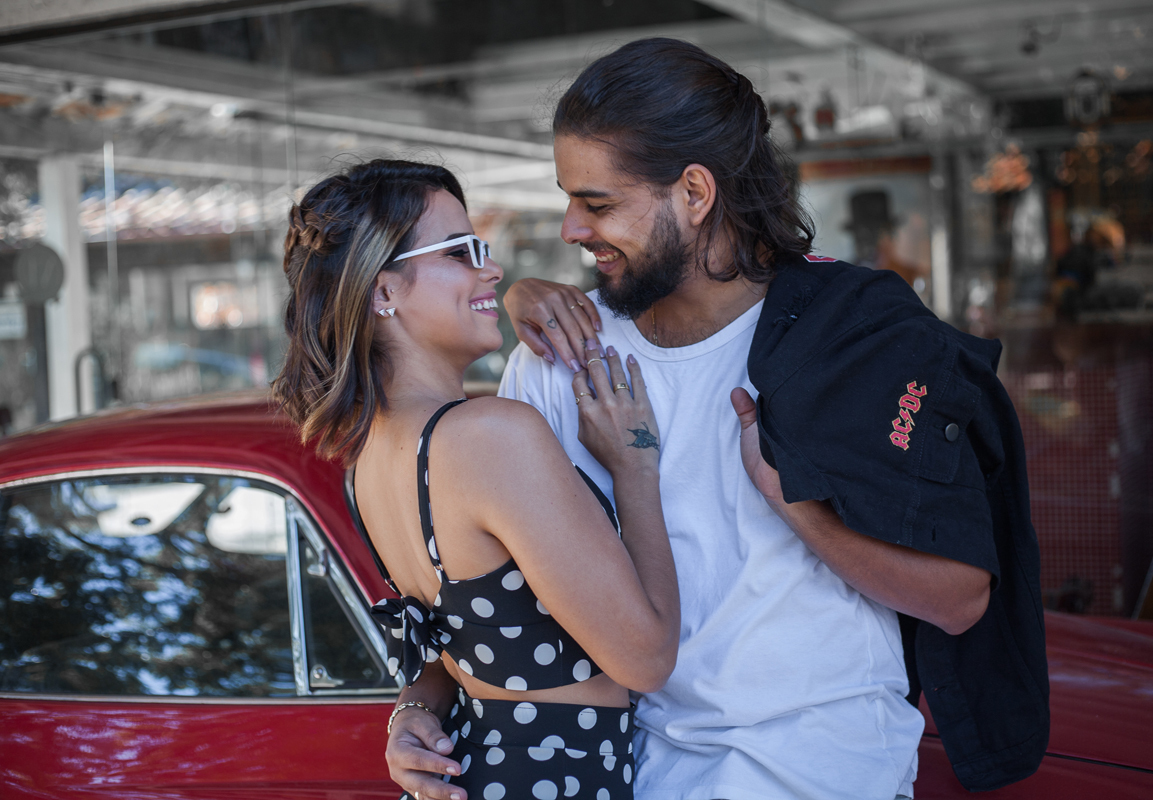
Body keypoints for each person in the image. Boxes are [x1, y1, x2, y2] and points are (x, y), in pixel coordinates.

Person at [390, 38, 1046, 800]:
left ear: (695, 194)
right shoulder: (555, 360)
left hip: (821, 770)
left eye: (597, 203)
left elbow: (961, 599)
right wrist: (417, 706)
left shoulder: (851, 345)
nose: (570, 228)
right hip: (632, 772)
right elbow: (507, 604)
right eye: (569, 199)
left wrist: (799, 507)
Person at [270, 159, 680, 800]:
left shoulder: (368, 459)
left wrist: (414, 707)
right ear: (384, 291)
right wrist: (635, 466)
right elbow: (648, 659)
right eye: (462, 251)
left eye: (483, 250)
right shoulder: (489, 437)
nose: (491, 269)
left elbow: (467, 644)